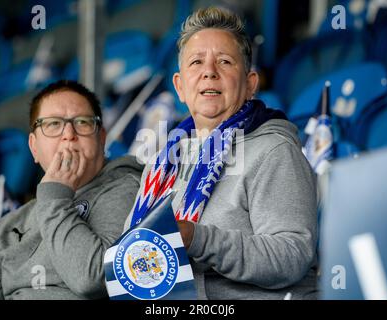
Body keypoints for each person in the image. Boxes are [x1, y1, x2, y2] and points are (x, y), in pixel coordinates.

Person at [124, 7, 318, 299]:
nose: (209, 72)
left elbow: (292, 256)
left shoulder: (274, 150)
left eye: (224, 62)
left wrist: (196, 238)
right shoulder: (162, 162)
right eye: (196, 62)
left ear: (251, 83)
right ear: (180, 87)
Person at [0, 80, 143, 299]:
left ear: (101, 139)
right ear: (33, 147)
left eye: (82, 122)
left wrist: (54, 196)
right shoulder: (11, 223)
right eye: (52, 124)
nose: (69, 133)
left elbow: (92, 279)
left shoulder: (127, 189)